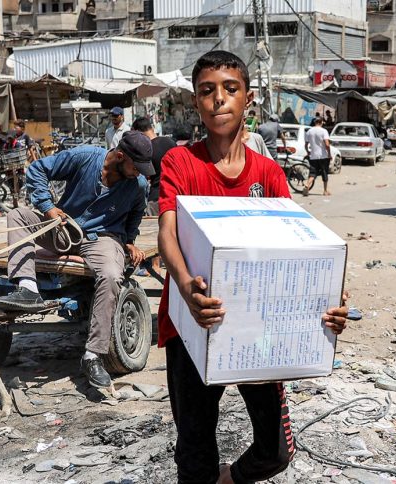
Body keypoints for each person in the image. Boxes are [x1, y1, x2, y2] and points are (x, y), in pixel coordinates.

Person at [157, 50, 349, 484]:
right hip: (194, 327)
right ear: (195, 102)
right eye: (207, 91)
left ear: (249, 99)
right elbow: (166, 234)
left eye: (229, 89)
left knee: (275, 451)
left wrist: (331, 299)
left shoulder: (269, 174)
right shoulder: (180, 163)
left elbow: (297, 251)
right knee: (195, 453)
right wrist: (187, 287)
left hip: (256, 332)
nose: (218, 100)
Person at [0, 132, 152, 389]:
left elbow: (136, 210)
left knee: (112, 276)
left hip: (103, 238)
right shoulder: (85, 157)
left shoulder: (139, 185)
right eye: (136, 167)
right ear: (120, 156)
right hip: (64, 228)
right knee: (18, 216)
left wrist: (130, 240)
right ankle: (28, 289)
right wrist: (47, 207)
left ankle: (93, 355)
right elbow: (36, 170)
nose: (139, 173)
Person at [132, 117, 176, 216]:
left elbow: (142, 179)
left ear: (139, 133)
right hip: (176, 195)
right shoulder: (170, 142)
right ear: (151, 128)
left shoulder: (146, 150)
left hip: (157, 199)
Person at [303, 117, 331, 197]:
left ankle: (307, 185)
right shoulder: (324, 131)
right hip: (323, 156)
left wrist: (308, 152)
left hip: (313, 156)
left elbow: (306, 145)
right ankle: (325, 191)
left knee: (313, 173)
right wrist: (329, 154)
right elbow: (327, 144)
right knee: (324, 172)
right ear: (321, 122)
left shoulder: (309, 131)